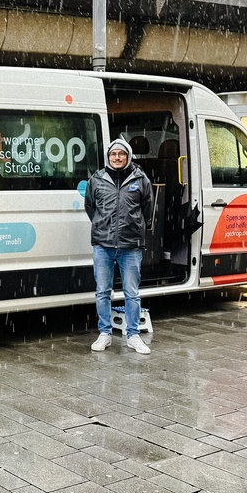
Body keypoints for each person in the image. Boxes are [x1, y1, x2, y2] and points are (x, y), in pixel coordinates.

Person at [85, 138, 153, 354]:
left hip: (130, 245)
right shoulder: (97, 179)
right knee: (102, 292)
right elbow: (90, 207)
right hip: (102, 245)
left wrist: (136, 228)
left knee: (131, 293)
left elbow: (148, 209)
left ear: (128, 156)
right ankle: (104, 333)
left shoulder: (140, 179)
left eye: (121, 154)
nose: (117, 157)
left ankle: (133, 335)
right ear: (108, 156)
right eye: (113, 154)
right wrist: (102, 225)